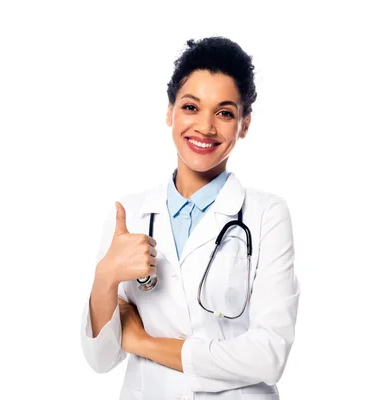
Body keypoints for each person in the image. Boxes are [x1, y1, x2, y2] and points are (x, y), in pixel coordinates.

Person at [80, 36, 300, 400]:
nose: (205, 127)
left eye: (225, 112)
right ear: (170, 112)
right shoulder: (129, 214)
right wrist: (105, 277)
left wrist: (144, 343)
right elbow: (101, 359)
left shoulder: (267, 215)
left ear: (244, 125)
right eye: (191, 107)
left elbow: (268, 356)